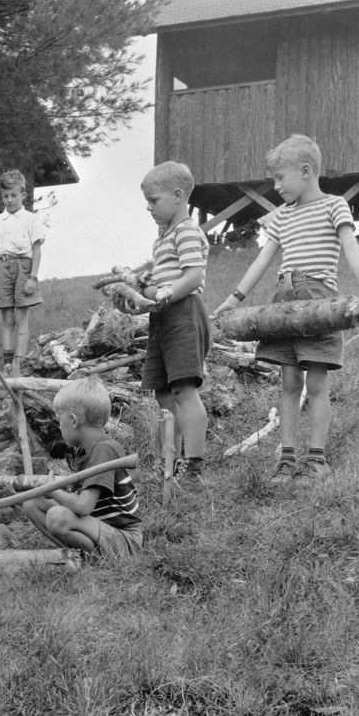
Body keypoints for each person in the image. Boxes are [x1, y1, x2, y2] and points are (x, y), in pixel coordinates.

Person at [213, 134, 359, 483]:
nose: (275, 186)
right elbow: (261, 261)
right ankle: (286, 460)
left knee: (316, 383)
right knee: (289, 382)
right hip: (283, 302)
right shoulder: (281, 217)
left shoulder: (334, 205)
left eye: (280, 178)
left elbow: (351, 246)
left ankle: (315, 461)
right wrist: (234, 298)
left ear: (305, 171)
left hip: (318, 302)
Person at [134, 161, 210, 484]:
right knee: (164, 394)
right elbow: (159, 280)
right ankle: (172, 459)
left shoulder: (187, 231)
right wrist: (141, 286)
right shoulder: (162, 238)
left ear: (178, 196)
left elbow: (193, 276)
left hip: (182, 314)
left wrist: (165, 293)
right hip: (162, 318)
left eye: (154, 200)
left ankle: (194, 464)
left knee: (184, 391)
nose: (148, 208)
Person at [23, 378, 142, 558]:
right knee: (32, 503)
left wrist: (53, 490)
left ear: (73, 421)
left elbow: (82, 507)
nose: (59, 427)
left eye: (59, 420)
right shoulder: (88, 451)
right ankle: (81, 554)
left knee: (58, 517)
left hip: (125, 542)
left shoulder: (104, 450)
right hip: (103, 529)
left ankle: (94, 559)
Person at [0, 169, 45, 376]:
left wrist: (33, 278)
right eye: (5, 196)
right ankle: (8, 363)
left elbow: (36, 249)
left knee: (21, 317)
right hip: (3, 269)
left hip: (24, 269)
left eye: (13, 195)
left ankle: (19, 362)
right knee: (7, 318)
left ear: (23, 195)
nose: (9, 200)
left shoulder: (31, 219)